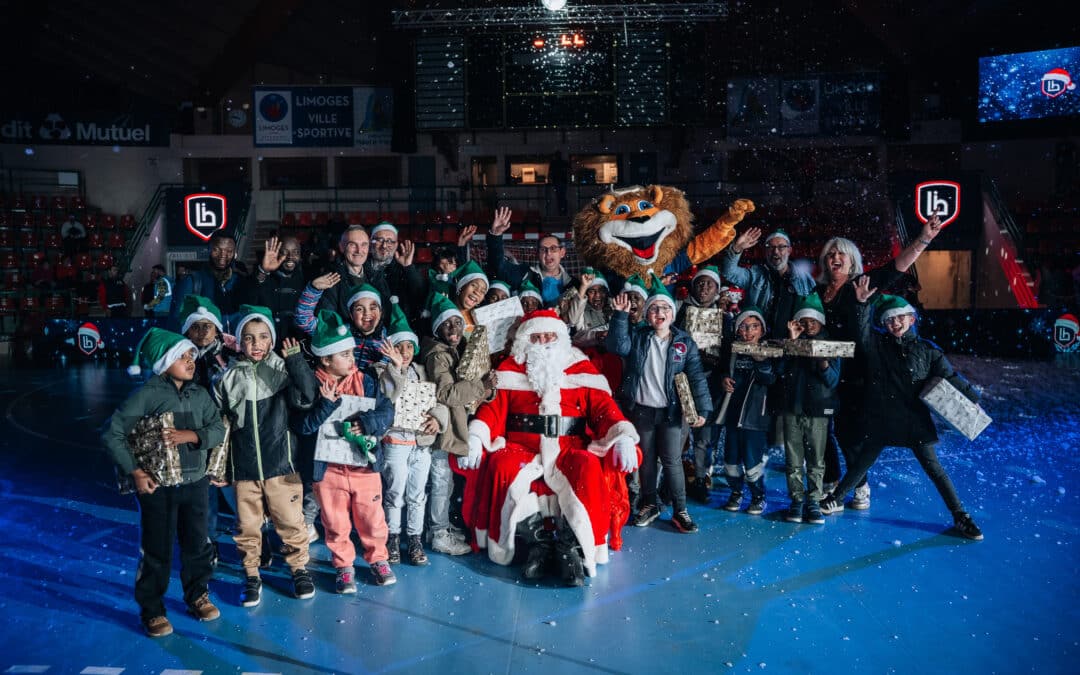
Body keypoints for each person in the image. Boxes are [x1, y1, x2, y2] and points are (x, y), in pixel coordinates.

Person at [464, 308, 641, 585]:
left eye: (550, 335)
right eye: (537, 336)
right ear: (525, 340)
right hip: (521, 445)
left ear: (560, 338)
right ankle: (539, 544)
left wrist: (623, 436)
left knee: (587, 467)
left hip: (569, 446)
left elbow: (604, 409)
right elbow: (493, 411)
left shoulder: (581, 367)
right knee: (503, 465)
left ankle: (570, 546)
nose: (544, 341)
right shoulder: (510, 369)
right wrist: (477, 434)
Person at [820, 279, 984, 541]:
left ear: (911, 318)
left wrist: (971, 397)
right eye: (889, 321)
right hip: (882, 418)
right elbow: (861, 330)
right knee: (862, 462)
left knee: (934, 469)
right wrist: (861, 303)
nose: (895, 324)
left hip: (914, 420)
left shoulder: (927, 351)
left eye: (899, 318)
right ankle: (834, 499)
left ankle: (960, 515)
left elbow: (950, 376)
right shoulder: (876, 346)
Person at [101, 328, 226, 637]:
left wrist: (194, 436)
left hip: (195, 484)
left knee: (197, 545)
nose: (191, 361)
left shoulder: (199, 393)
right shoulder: (148, 395)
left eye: (192, 356)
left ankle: (197, 594)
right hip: (159, 489)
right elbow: (112, 432)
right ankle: (152, 610)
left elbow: (217, 429)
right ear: (163, 361)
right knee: (157, 550)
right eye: (182, 356)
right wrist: (136, 471)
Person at [817, 214, 944, 510]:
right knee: (825, 429)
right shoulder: (818, 293)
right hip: (825, 370)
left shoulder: (861, 283)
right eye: (831, 253)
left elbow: (896, 267)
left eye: (841, 254)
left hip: (858, 372)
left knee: (850, 433)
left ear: (852, 262)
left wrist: (924, 239)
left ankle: (859, 487)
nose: (835, 257)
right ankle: (834, 481)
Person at [213, 306, 319, 606]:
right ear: (239, 341)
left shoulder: (282, 371)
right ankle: (251, 573)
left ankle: (298, 569)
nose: (256, 344)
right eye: (249, 338)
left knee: (290, 522)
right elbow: (222, 425)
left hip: (281, 467)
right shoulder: (228, 377)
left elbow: (308, 396)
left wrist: (295, 360)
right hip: (245, 470)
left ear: (271, 340)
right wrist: (219, 467)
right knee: (247, 526)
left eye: (262, 337)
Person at [299, 310, 397, 590]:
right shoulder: (312, 386)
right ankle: (343, 565)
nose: (352, 360)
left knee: (372, 518)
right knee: (335, 521)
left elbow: (386, 411)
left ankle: (378, 558)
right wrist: (324, 405)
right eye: (344, 355)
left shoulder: (365, 381)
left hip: (363, 466)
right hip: (328, 470)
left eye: (352, 353)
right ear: (326, 358)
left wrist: (367, 423)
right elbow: (303, 426)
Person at [607, 275, 711, 534]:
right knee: (647, 461)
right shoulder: (639, 336)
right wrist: (620, 317)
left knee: (673, 460)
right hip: (642, 410)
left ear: (673, 314)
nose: (659, 313)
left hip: (671, 412)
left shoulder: (683, 342)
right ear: (646, 314)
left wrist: (703, 409)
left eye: (665, 308)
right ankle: (649, 503)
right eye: (654, 308)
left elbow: (696, 376)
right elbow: (616, 346)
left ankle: (680, 509)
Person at [374, 300, 448, 566]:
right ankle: (392, 538)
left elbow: (437, 401)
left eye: (408, 347)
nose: (404, 352)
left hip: (421, 442)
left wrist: (438, 420)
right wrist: (398, 369)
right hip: (396, 440)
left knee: (418, 493)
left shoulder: (422, 371)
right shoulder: (382, 371)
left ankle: (414, 539)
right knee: (395, 492)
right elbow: (391, 396)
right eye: (399, 346)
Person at [421, 293, 493, 556]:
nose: (454, 328)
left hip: (458, 423)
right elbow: (446, 393)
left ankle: (439, 526)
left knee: (447, 482)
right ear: (437, 328)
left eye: (457, 322)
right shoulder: (437, 355)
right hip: (444, 427)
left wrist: (488, 389)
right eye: (447, 324)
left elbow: (475, 382)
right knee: (441, 480)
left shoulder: (463, 348)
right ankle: (438, 533)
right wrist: (479, 387)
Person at [177, 295, 239, 552]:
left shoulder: (230, 355)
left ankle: (255, 538)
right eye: (196, 326)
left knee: (233, 489)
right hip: (193, 433)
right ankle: (206, 542)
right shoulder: (179, 357)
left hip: (226, 434)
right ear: (187, 330)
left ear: (217, 328)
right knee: (203, 493)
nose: (202, 331)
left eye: (208, 325)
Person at [774, 293, 839, 525]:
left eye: (814, 321)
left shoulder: (830, 345)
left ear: (821, 322)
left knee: (816, 458)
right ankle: (797, 499)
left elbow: (832, 380)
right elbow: (780, 370)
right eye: (805, 321)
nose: (809, 325)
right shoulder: (792, 342)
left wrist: (823, 364)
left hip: (818, 410)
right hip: (793, 408)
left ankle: (813, 499)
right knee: (793, 458)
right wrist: (791, 342)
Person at [674, 265, 728, 503]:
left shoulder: (725, 317)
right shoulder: (681, 312)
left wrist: (720, 368)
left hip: (711, 381)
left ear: (717, 288)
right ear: (693, 287)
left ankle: (700, 479)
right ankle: (673, 482)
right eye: (700, 283)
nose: (704, 288)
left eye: (710, 284)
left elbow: (728, 353)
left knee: (705, 437)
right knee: (679, 434)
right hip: (684, 381)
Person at [719, 307, 777, 516]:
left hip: (755, 417)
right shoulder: (733, 350)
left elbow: (770, 378)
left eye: (754, 326)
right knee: (731, 460)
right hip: (733, 415)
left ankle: (758, 496)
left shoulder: (770, 351)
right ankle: (735, 492)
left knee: (753, 462)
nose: (749, 331)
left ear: (762, 329)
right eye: (744, 326)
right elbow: (725, 371)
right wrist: (724, 379)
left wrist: (760, 360)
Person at [297, 276, 388, 372]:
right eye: (359, 309)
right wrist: (313, 290)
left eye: (373, 308)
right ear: (351, 315)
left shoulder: (388, 343)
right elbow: (303, 320)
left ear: (381, 312)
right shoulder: (338, 331)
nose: (367, 313)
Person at [486, 207, 573, 306]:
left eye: (553, 248)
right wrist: (496, 235)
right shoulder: (524, 274)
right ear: (537, 254)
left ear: (562, 252)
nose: (548, 253)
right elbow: (498, 267)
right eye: (543, 249)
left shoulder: (573, 283)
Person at [170, 233, 248, 332]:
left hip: (236, 344)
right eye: (217, 250)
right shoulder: (193, 280)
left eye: (229, 251)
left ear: (234, 253)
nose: (223, 255)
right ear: (208, 249)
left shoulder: (240, 281)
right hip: (204, 345)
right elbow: (177, 321)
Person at [314, 225, 393, 321]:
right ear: (341, 247)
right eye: (352, 245)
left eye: (364, 244)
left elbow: (387, 313)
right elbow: (328, 320)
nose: (359, 250)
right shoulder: (331, 279)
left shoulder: (376, 276)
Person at [366, 222, 428, 324]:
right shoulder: (361, 267)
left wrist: (408, 267)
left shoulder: (405, 268)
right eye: (379, 240)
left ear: (396, 245)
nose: (384, 245)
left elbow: (420, 293)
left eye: (390, 241)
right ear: (370, 242)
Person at [250, 235, 307, 344]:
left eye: (295, 252)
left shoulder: (308, 278)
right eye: (284, 252)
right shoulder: (263, 278)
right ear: (277, 254)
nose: (290, 257)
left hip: (299, 342)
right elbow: (250, 300)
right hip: (269, 342)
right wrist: (264, 270)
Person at [548, 150, 571, 216]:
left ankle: (561, 212)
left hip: (557, 182)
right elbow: (570, 169)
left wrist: (550, 180)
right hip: (563, 182)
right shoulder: (563, 162)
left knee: (559, 198)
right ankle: (563, 212)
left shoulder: (553, 163)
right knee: (563, 197)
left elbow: (550, 173)